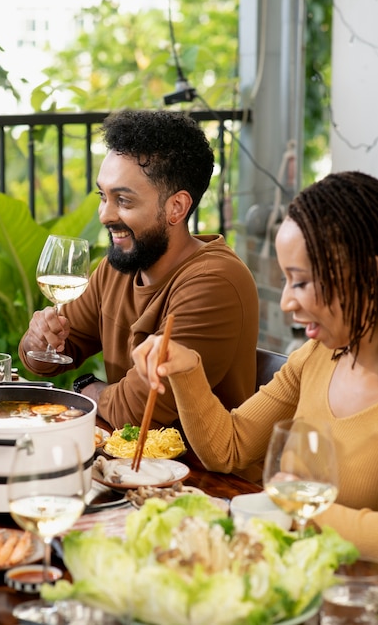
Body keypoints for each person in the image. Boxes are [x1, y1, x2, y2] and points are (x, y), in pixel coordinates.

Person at [132, 170, 378, 559]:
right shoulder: (315, 358)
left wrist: (301, 509)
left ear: (368, 274)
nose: (286, 302)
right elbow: (228, 447)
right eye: (285, 281)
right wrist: (185, 367)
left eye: (300, 282)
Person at [18, 109, 259, 430]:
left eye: (124, 201)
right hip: (128, 458)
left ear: (177, 207)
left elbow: (138, 409)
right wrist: (38, 340)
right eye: (103, 196)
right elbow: (49, 359)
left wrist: (87, 387)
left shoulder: (215, 283)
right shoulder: (120, 265)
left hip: (199, 474)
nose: (104, 214)